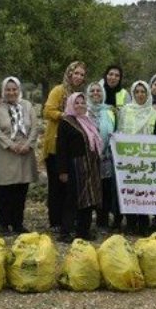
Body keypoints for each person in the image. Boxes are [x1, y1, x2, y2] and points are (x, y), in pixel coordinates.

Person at [0, 77, 38, 236]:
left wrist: (28, 144)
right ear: (3, 91)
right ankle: (3, 223)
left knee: (20, 189)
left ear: (19, 90)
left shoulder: (27, 105)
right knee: (4, 190)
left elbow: (35, 127)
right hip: (5, 153)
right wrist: (10, 144)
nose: (11, 92)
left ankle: (18, 223)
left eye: (14, 89)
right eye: (8, 89)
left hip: (24, 153)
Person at [42, 61, 87, 232]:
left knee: (70, 186)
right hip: (55, 144)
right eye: (76, 73)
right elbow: (47, 111)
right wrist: (66, 116)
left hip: (72, 149)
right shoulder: (59, 90)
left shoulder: (80, 95)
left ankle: (68, 220)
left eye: (82, 75)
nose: (79, 77)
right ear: (69, 73)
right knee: (56, 185)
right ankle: (55, 221)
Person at [56, 93, 103, 242]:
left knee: (89, 200)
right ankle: (66, 232)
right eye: (76, 103)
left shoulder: (88, 121)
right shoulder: (66, 122)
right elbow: (61, 148)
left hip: (90, 167)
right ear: (70, 104)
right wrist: (62, 170)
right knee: (72, 199)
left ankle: (84, 231)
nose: (80, 105)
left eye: (83, 103)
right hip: (75, 167)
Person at [117, 80, 156, 235]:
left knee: (145, 190)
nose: (140, 95)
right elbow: (120, 131)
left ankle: (143, 224)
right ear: (133, 94)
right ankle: (130, 223)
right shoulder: (125, 110)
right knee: (130, 189)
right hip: (129, 158)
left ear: (148, 94)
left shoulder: (154, 113)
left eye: (143, 92)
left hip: (148, 158)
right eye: (137, 92)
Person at [86, 82, 117, 233]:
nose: (95, 93)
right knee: (89, 188)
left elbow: (116, 130)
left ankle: (102, 221)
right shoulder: (83, 110)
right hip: (88, 158)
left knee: (104, 189)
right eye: (92, 91)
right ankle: (85, 221)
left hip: (105, 158)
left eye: (99, 90)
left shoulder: (109, 111)